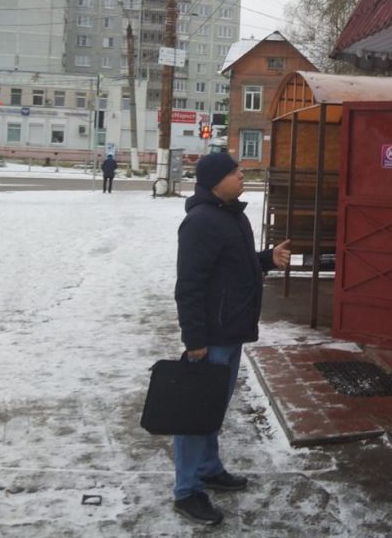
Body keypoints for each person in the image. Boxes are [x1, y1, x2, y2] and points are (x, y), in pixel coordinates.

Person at [172, 152, 290, 526]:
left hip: (231, 331)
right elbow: (189, 286)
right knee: (195, 412)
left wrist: (267, 258)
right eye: (235, 172)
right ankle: (186, 490)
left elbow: (236, 264)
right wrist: (195, 339)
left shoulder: (231, 216)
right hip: (210, 336)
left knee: (213, 408)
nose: (242, 176)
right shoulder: (200, 223)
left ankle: (208, 468)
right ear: (215, 181)